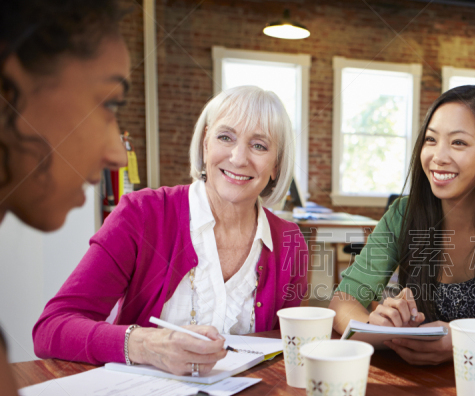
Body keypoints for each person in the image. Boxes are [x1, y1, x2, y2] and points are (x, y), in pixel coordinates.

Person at [0, 0, 211, 396]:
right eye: (110, 102)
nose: (119, 155)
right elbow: (53, 326)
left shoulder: (285, 240)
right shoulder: (146, 212)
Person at [32, 84, 308, 376]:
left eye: (259, 146)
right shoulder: (140, 215)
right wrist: (145, 345)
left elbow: (284, 350)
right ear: (205, 145)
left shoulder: (291, 243)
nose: (239, 158)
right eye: (225, 137)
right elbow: (52, 328)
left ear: (276, 165)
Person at [329, 85, 475, 365]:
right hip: (421, 390)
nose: (438, 156)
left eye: (458, 143)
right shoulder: (404, 214)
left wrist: (466, 342)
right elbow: (342, 301)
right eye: (431, 140)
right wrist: (376, 327)